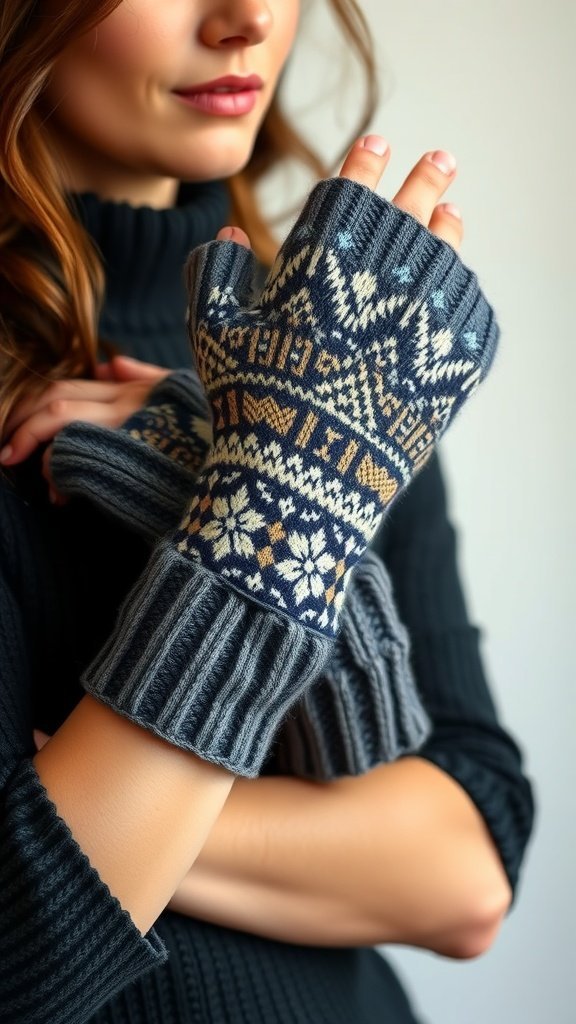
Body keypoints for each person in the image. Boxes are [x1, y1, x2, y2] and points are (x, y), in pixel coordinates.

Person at [0, 2, 534, 1022]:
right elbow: (17, 952)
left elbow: (470, 869)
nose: (245, 18)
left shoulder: (341, 349)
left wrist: (237, 481)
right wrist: (263, 508)